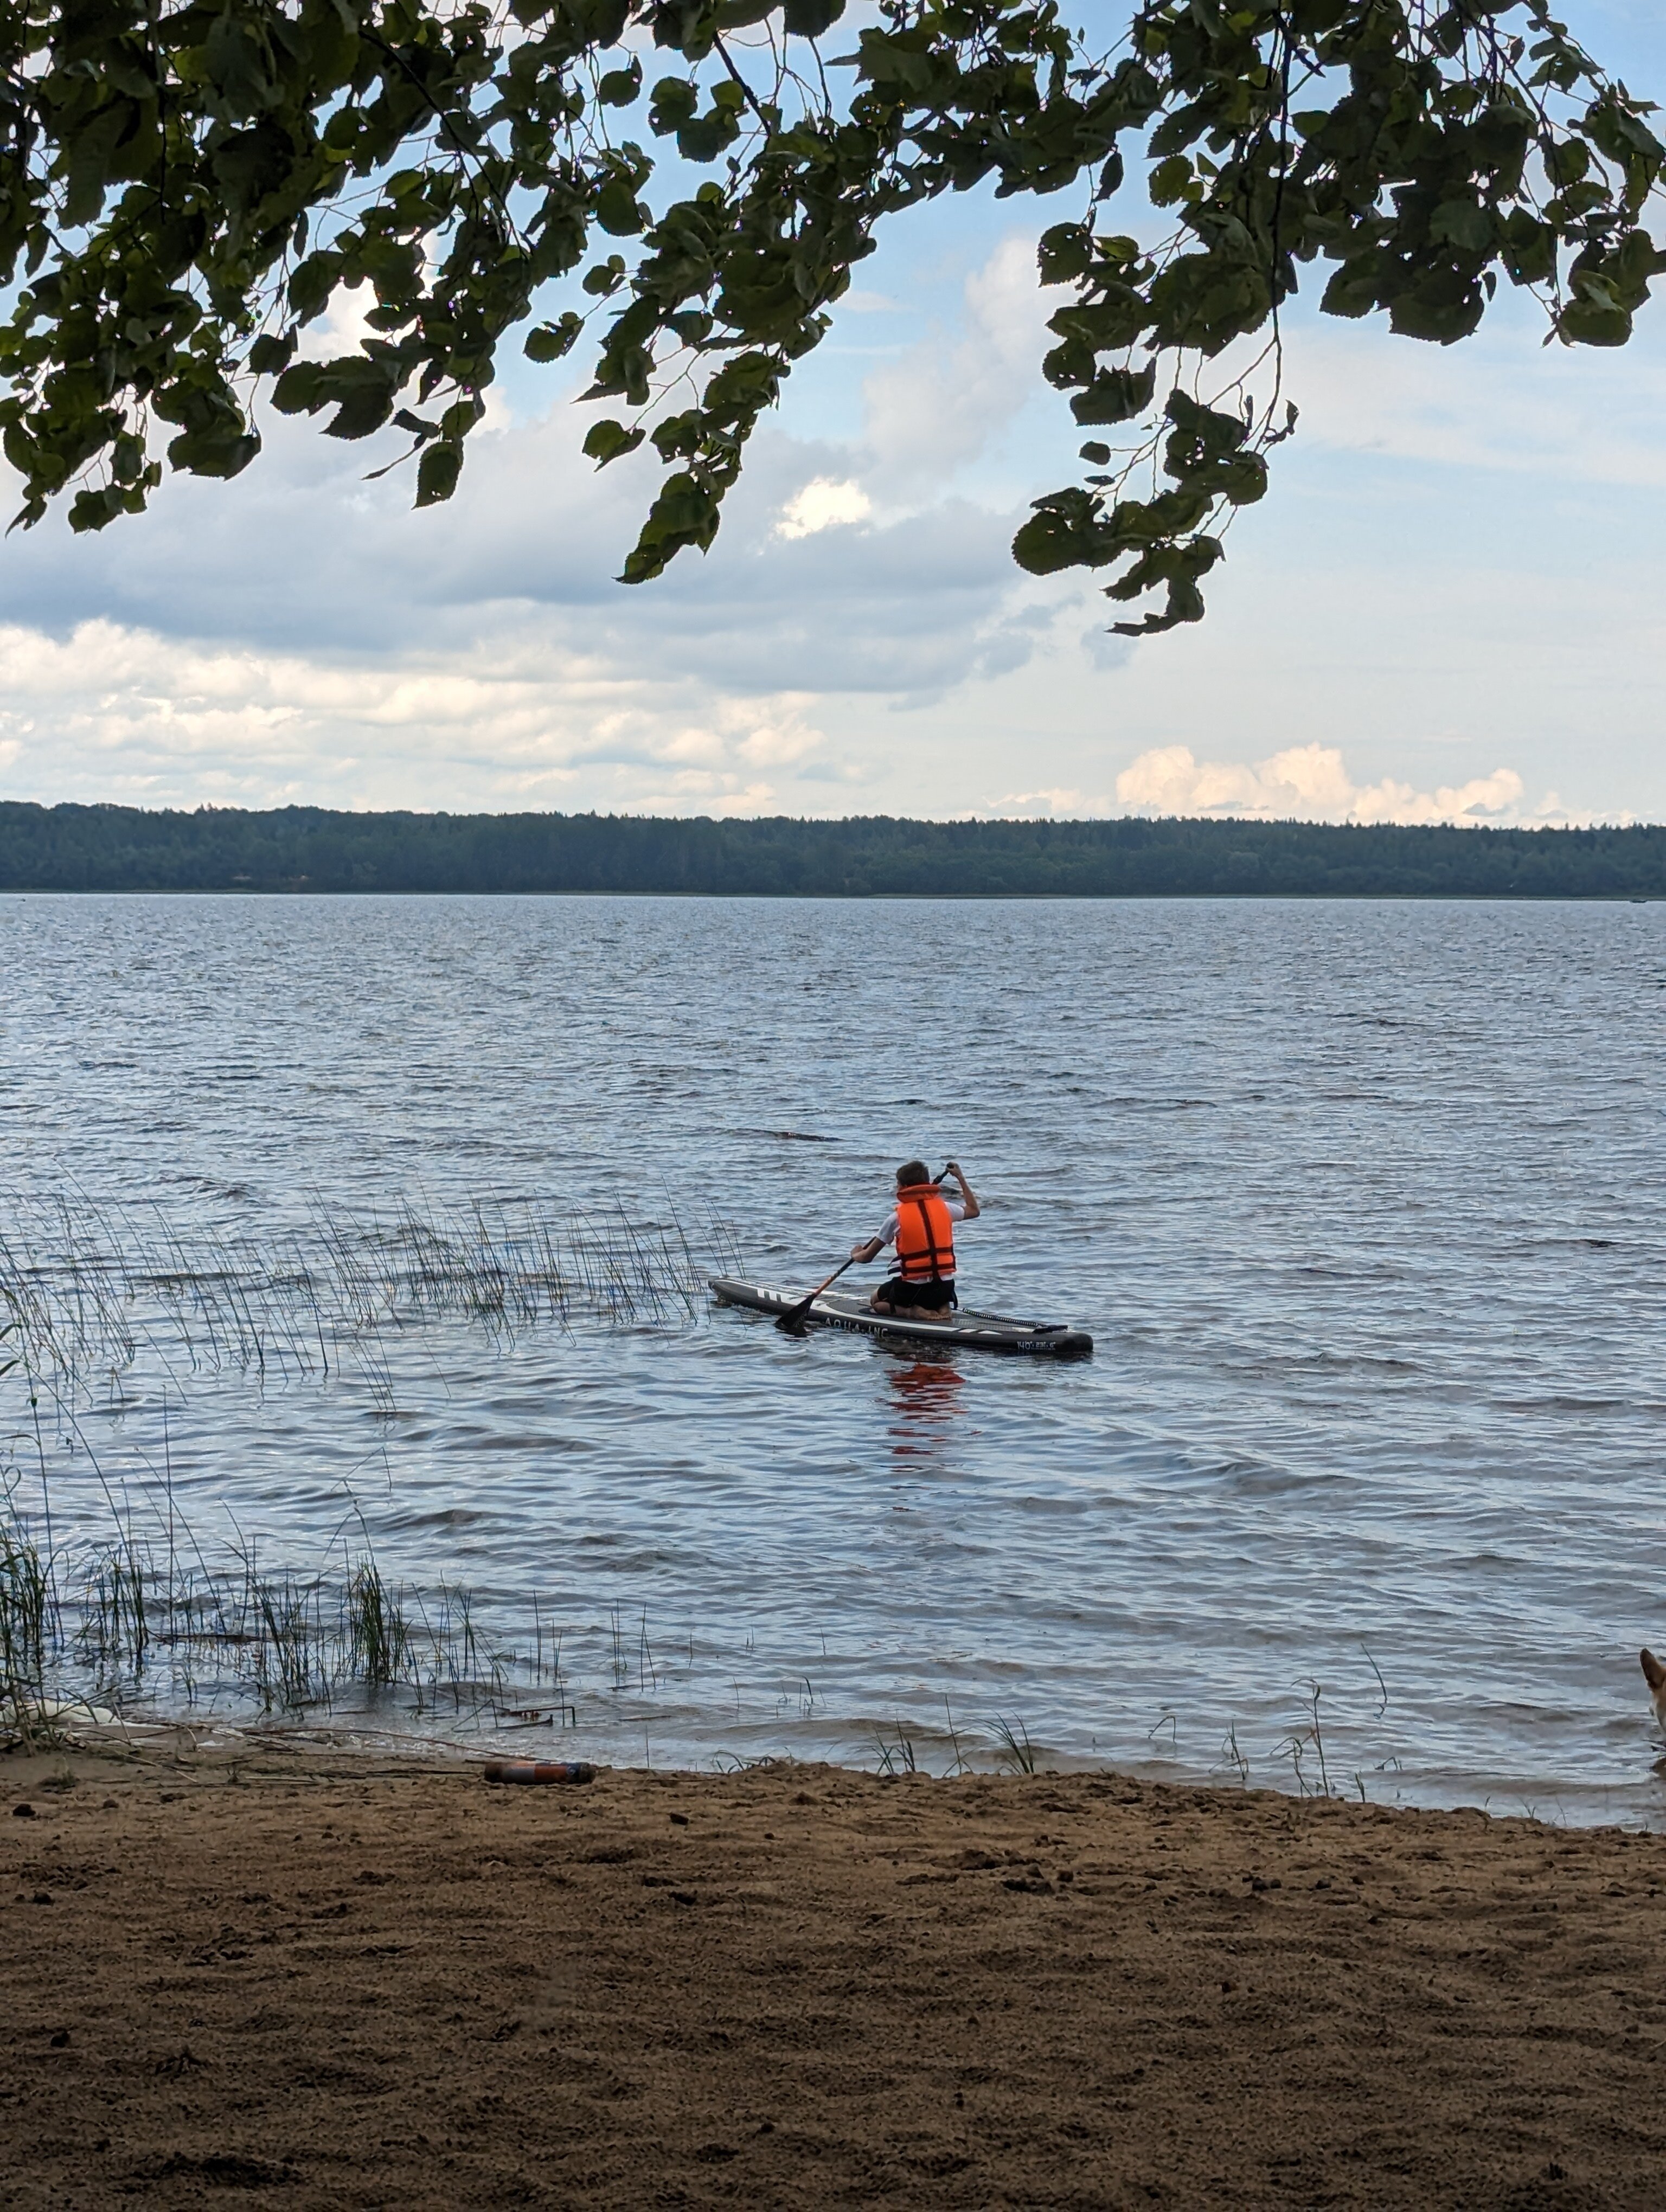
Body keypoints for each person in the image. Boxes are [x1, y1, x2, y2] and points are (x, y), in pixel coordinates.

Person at [850, 1160, 980, 1314]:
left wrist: (856, 1253)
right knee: (931, 1291)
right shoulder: (946, 1208)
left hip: (913, 1290)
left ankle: (913, 1313)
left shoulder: (896, 1218)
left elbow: (866, 1257)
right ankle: (941, 1307)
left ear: (903, 1188)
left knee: (876, 1302)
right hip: (945, 1288)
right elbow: (974, 1210)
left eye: (898, 1184)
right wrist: (960, 1178)